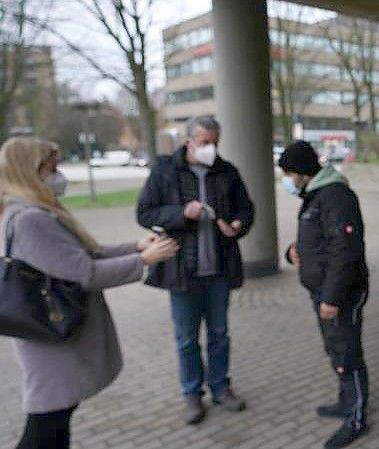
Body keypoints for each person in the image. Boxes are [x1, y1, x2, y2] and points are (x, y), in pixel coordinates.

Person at [0, 137, 178, 449]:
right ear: (30, 172)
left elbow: (87, 253)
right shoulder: (31, 219)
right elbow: (86, 273)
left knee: (57, 420)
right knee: (46, 422)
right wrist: (143, 261)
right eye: (51, 169)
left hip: (54, 334)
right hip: (52, 336)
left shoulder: (36, 211)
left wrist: (135, 247)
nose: (59, 176)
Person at [136, 116, 255, 425]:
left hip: (218, 270)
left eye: (215, 142)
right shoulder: (165, 171)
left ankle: (220, 387)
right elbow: (144, 212)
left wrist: (239, 225)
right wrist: (180, 213)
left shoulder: (227, 171)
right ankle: (192, 394)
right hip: (181, 271)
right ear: (188, 141)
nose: (211, 149)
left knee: (220, 335)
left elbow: (246, 209)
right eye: (205, 143)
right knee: (187, 339)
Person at [279, 140, 370, 449]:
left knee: (347, 351)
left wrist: (331, 298)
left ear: (303, 172)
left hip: (341, 294)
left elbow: (344, 251)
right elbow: (318, 239)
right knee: (335, 349)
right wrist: (292, 252)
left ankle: (357, 419)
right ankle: (346, 402)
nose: (288, 180)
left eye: (289, 174)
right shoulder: (316, 194)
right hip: (322, 291)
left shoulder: (336, 196)